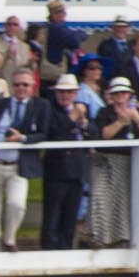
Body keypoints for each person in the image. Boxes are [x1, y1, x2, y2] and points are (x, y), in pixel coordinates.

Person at [0, 68, 48, 253]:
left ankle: (9, 237)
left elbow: (43, 133)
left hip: (18, 164)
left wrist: (22, 138)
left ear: (33, 86)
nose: (21, 88)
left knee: (17, 203)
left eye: (25, 85)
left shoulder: (41, 105)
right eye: (17, 84)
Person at [41, 74, 91, 252]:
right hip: (57, 168)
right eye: (61, 92)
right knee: (53, 213)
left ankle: (67, 248)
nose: (64, 95)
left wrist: (83, 122)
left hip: (77, 168)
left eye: (69, 92)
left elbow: (92, 134)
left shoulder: (82, 109)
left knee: (71, 214)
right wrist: (72, 118)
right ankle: (50, 250)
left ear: (75, 93)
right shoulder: (50, 109)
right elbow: (54, 132)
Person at [90, 78, 139, 249]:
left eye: (123, 93)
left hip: (129, 161)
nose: (120, 96)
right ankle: (99, 237)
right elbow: (104, 134)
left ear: (129, 95)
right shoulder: (104, 112)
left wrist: (137, 119)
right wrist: (120, 122)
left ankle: (123, 237)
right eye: (117, 93)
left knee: (124, 200)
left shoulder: (136, 112)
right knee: (99, 194)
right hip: (106, 160)